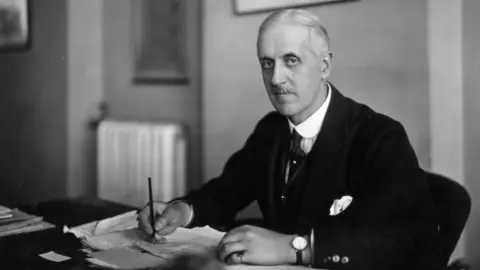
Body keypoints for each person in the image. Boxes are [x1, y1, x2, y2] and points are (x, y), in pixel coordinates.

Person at [139, 8, 441, 270]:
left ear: (324, 66)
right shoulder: (271, 129)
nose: (276, 79)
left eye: (291, 60)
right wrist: (182, 210)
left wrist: (295, 247)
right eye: (267, 63)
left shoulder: (380, 137)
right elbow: (227, 191)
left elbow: (405, 236)